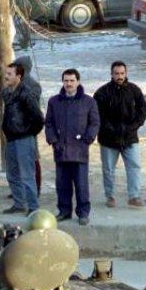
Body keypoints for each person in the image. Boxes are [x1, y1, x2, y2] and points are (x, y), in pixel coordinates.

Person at [45, 68, 99, 226]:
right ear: (62, 82)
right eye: (66, 80)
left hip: (79, 150)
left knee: (81, 185)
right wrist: (53, 140)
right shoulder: (54, 101)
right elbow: (48, 123)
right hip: (60, 150)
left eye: (72, 80)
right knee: (62, 184)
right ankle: (64, 211)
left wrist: (88, 139)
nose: (69, 84)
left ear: (78, 82)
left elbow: (94, 123)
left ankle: (83, 213)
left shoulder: (89, 101)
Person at [94, 60, 146, 208]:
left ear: (126, 73)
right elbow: (97, 115)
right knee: (108, 169)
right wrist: (111, 129)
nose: (119, 76)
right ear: (111, 74)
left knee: (134, 166)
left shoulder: (134, 90)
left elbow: (143, 109)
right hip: (108, 138)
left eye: (122, 73)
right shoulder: (102, 92)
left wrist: (134, 126)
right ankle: (110, 196)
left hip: (130, 137)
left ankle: (134, 196)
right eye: (116, 73)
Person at [0, 61, 43, 215]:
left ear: (19, 76)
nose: (6, 76)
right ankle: (19, 204)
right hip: (10, 139)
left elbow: (38, 118)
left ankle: (33, 207)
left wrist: (28, 132)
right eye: (6, 73)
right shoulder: (6, 92)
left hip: (24, 139)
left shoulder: (27, 93)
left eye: (9, 74)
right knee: (11, 174)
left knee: (27, 175)